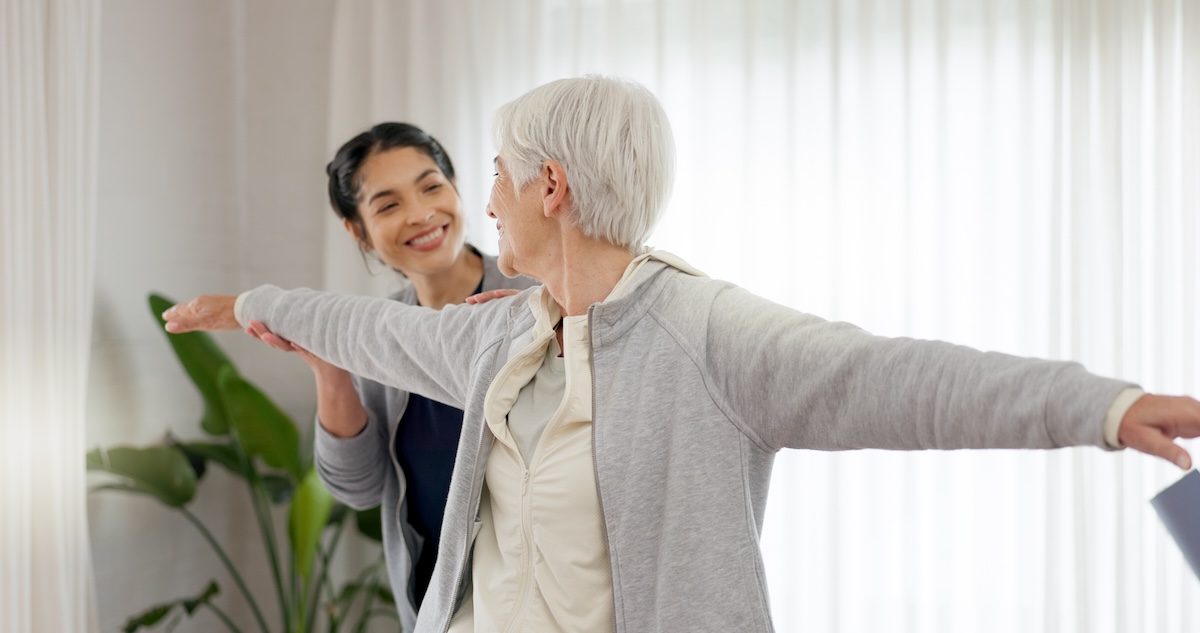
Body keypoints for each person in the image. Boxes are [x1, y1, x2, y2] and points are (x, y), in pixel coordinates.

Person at [164, 76, 1200, 633]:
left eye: (493, 177)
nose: (479, 203)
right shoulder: (500, 331)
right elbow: (370, 328)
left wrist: (1100, 408)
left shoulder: (705, 333)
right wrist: (260, 305)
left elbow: (903, 379)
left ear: (552, 189)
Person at [271, 122, 535, 630]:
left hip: (536, 605)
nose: (420, 214)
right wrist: (331, 371)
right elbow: (361, 486)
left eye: (432, 186)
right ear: (358, 230)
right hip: (436, 605)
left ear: (457, 189)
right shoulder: (379, 333)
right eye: (388, 205)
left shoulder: (534, 300)